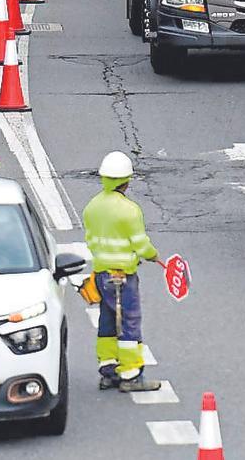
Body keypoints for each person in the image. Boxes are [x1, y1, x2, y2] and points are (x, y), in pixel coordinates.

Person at [83, 151, 162, 393]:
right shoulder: (129, 210)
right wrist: (154, 256)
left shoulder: (92, 206)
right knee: (129, 323)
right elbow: (141, 244)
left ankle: (108, 372)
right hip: (123, 278)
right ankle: (130, 375)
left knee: (107, 323)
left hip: (101, 275)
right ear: (126, 180)